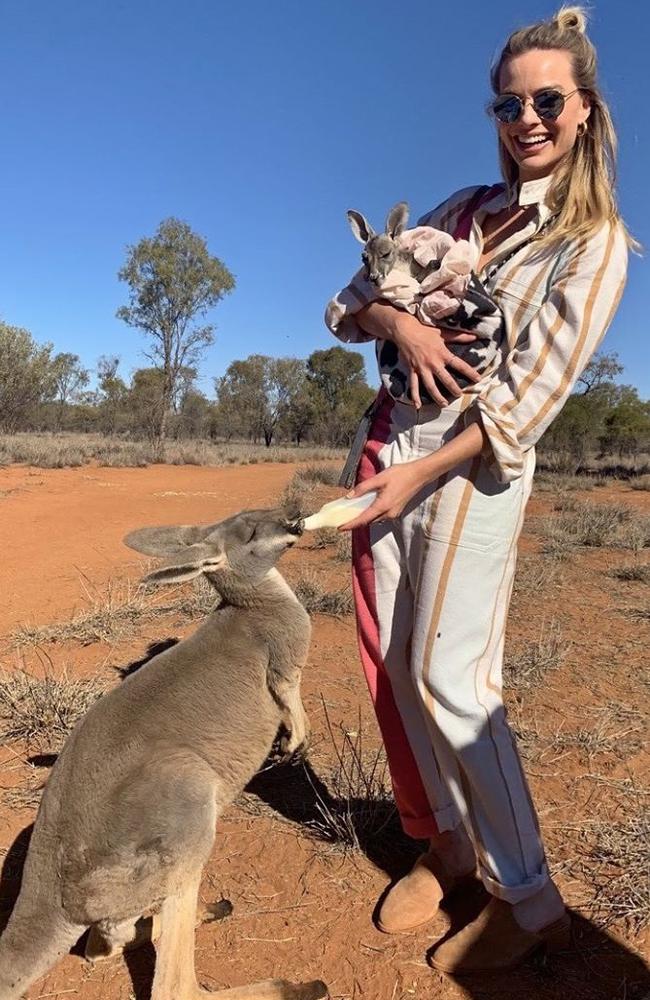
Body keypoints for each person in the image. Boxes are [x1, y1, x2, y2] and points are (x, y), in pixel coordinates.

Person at [324, 6, 632, 974]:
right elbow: (343, 305)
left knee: (451, 675)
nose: (526, 117)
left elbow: (524, 404)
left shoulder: (592, 243)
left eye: (547, 100)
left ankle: (526, 898)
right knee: (397, 664)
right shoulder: (456, 210)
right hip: (389, 446)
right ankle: (448, 845)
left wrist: (417, 468)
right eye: (508, 101)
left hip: (467, 466)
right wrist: (399, 327)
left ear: (583, 110)